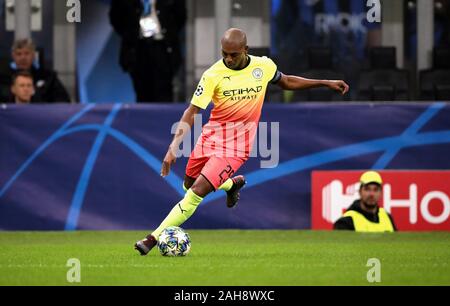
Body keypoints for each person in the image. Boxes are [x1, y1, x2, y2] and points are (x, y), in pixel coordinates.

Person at [134, 28, 350, 255]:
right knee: (188, 184)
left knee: (195, 192)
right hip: (210, 138)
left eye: (233, 54)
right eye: (224, 53)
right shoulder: (212, 75)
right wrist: (173, 147)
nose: (228, 59)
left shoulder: (263, 66)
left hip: (237, 147)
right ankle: (231, 184)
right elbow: (192, 111)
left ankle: (152, 238)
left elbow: (286, 81)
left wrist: (325, 82)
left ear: (246, 50)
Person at [109, 0, 186, 102]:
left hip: (163, 48)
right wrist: (131, 34)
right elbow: (116, 18)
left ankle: (163, 115)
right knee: (142, 91)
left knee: (164, 91)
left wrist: (169, 34)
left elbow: (180, 16)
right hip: (138, 48)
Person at [0, 39, 70, 103]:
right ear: (13, 56)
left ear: (33, 55)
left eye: (27, 53)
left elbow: (63, 101)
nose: (23, 58)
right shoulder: (3, 78)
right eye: (19, 54)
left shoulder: (49, 77)